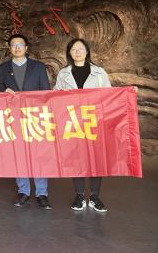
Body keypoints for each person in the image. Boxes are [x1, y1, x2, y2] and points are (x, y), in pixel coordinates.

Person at [54, 38, 111, 213]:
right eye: (73, 49)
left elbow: (110, 95)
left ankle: (94, 196)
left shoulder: (99, 73)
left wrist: (129, 92)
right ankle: (79, 196)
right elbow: (54, 97)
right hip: (72, 122)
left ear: (87, 52)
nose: (77, 52)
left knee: (96, 159)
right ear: (69, 53)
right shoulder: (63, 74)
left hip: (94, 122)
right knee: (76, 158)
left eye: (80, 49)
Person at [0, 34, 52, 210]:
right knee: (19, 154)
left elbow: (46, 92)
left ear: (26, 48)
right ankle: (23, 191)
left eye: (20, 44)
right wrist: (3, 91)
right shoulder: (2, 68)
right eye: (13, 45)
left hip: (35, 116)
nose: (17, 47)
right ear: (10, 49)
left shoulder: (39, 67)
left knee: (38, 155)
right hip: (13, 117)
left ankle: (42, 193)